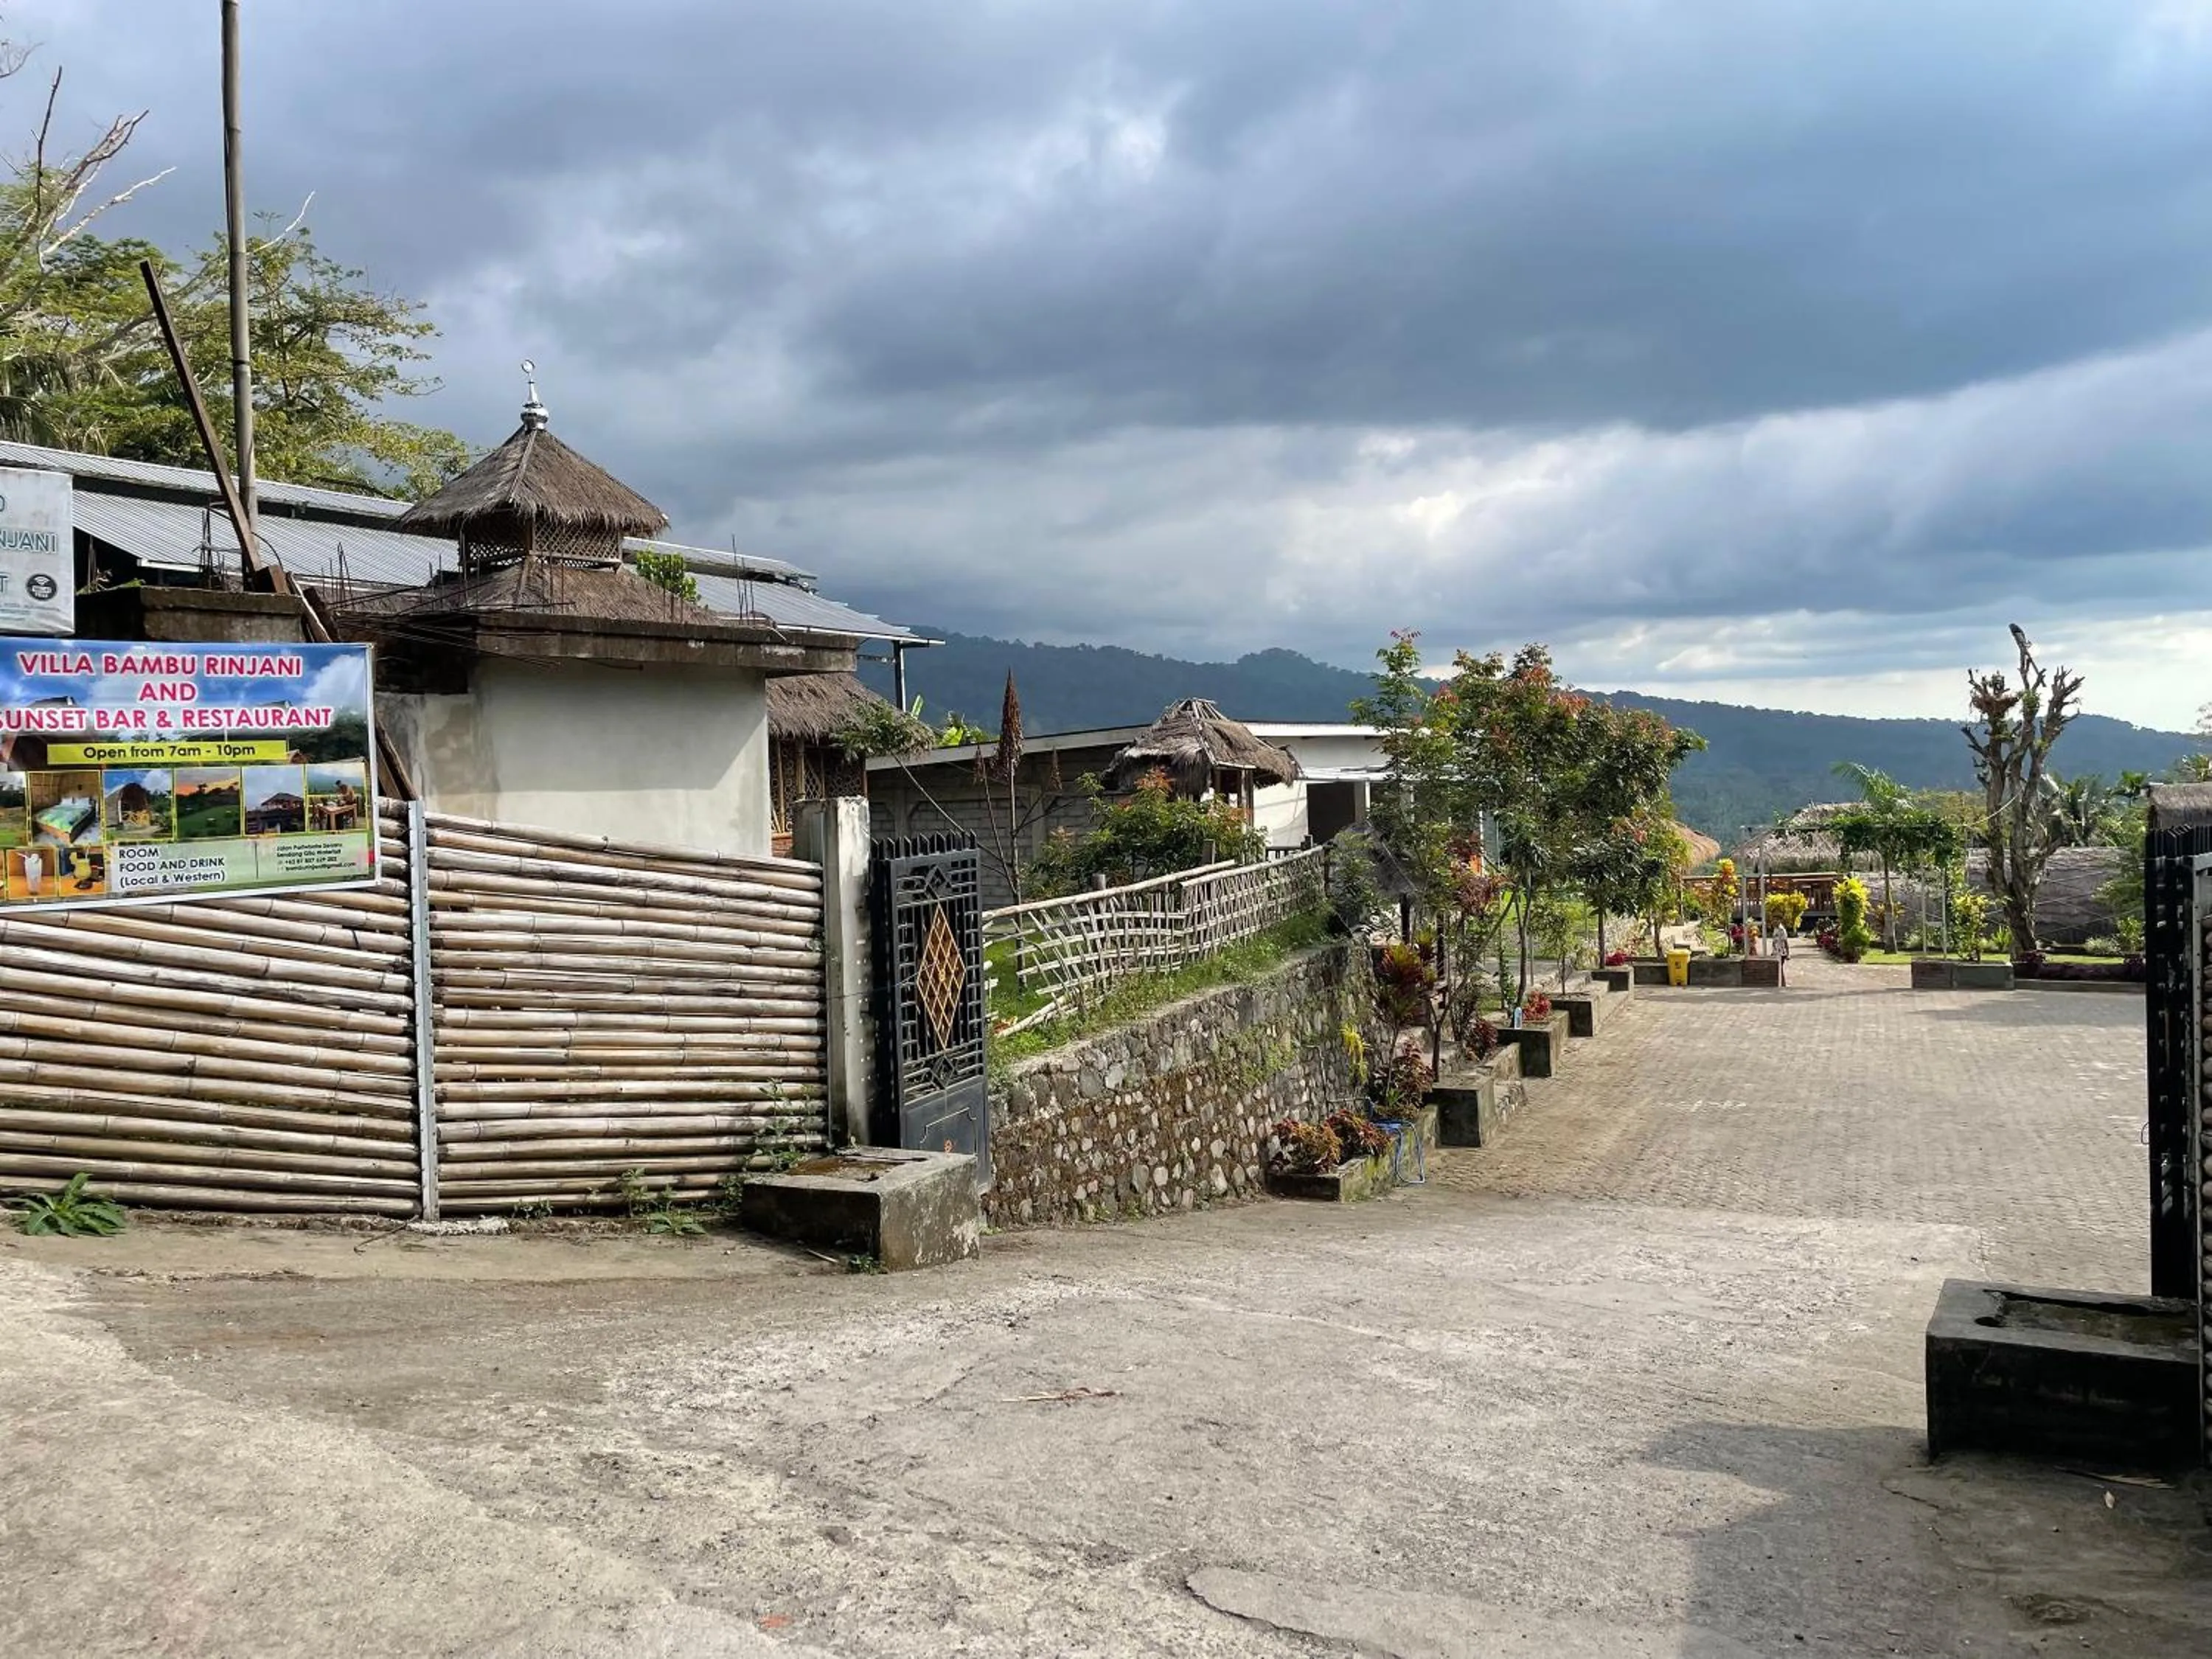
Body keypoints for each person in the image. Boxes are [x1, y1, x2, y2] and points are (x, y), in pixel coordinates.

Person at [1775, 922, 1791, 987]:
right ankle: (1782, 983)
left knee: (1780, 968)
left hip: (1781, 952)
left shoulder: (1782, 930)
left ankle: (1783, 984)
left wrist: (1788, 953)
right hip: (1776, 952)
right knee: (1779, 968)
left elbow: (1786, 942)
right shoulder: (1775, 929)